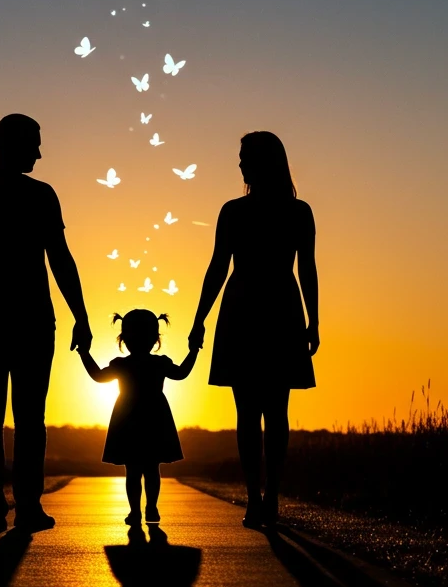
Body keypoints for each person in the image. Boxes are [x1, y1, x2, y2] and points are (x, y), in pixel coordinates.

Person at [0, 114, 92, 531]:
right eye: (35, 144)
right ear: (12, 143)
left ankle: (2, 506)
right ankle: (17, 506)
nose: (40, 153)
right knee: (20, 418)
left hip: (4, 322)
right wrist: (80, 315)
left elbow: (59, 259)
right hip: (19, 322)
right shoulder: (10, 195)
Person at [188, 131, 319, 528]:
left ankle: (270, 496)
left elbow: (307, 267)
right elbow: (217, 267)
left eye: (245, 156)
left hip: (270, 307)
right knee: (253, 411)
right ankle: (255, 497)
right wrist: (199, 318)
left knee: (272, 410)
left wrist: (315, 318)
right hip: (252, 308)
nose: (240, 163)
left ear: (263, 161)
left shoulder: (298, 212)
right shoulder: (234, 211)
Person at [78, 310, 198, 525]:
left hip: (128, 417)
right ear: (155, 339)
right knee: (152, 468)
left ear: (123, 339)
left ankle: (135, 512)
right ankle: (151, 508)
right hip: (155, 417)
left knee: (132, 469)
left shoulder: (121, 364)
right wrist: (194, 351)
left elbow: (97, 376)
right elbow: (182, 373)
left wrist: (84, 353)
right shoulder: (159, 363)